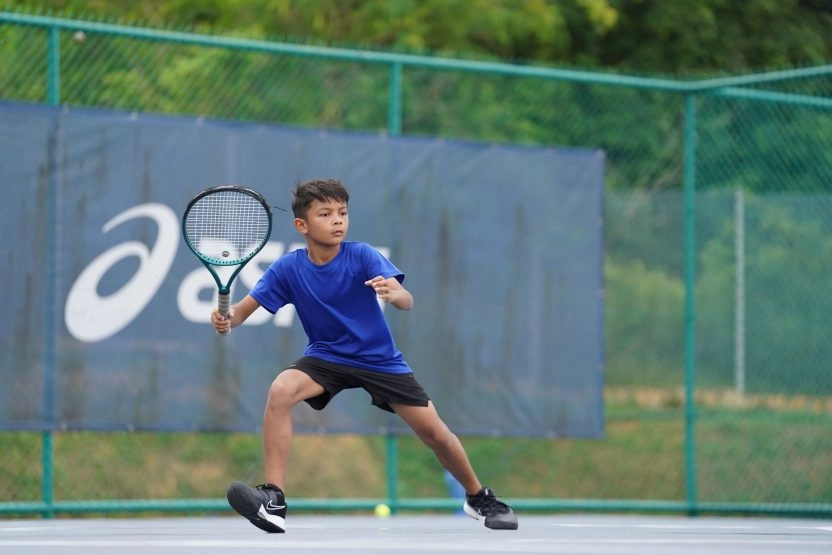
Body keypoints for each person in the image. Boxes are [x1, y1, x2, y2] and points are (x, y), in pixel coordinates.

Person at [211, 178, 518, 532]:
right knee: (281, 390)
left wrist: (394, 292)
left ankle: (478, 497)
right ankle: (274, 498)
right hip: (326, 357)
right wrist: (225, 318)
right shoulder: (287, 269)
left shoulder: (361, 255)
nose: (337, 220)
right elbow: (241, 312)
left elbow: (406, 300)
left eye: (342, 212)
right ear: (302, 226)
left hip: (379, 360)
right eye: (325, 214)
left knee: (436, 435)